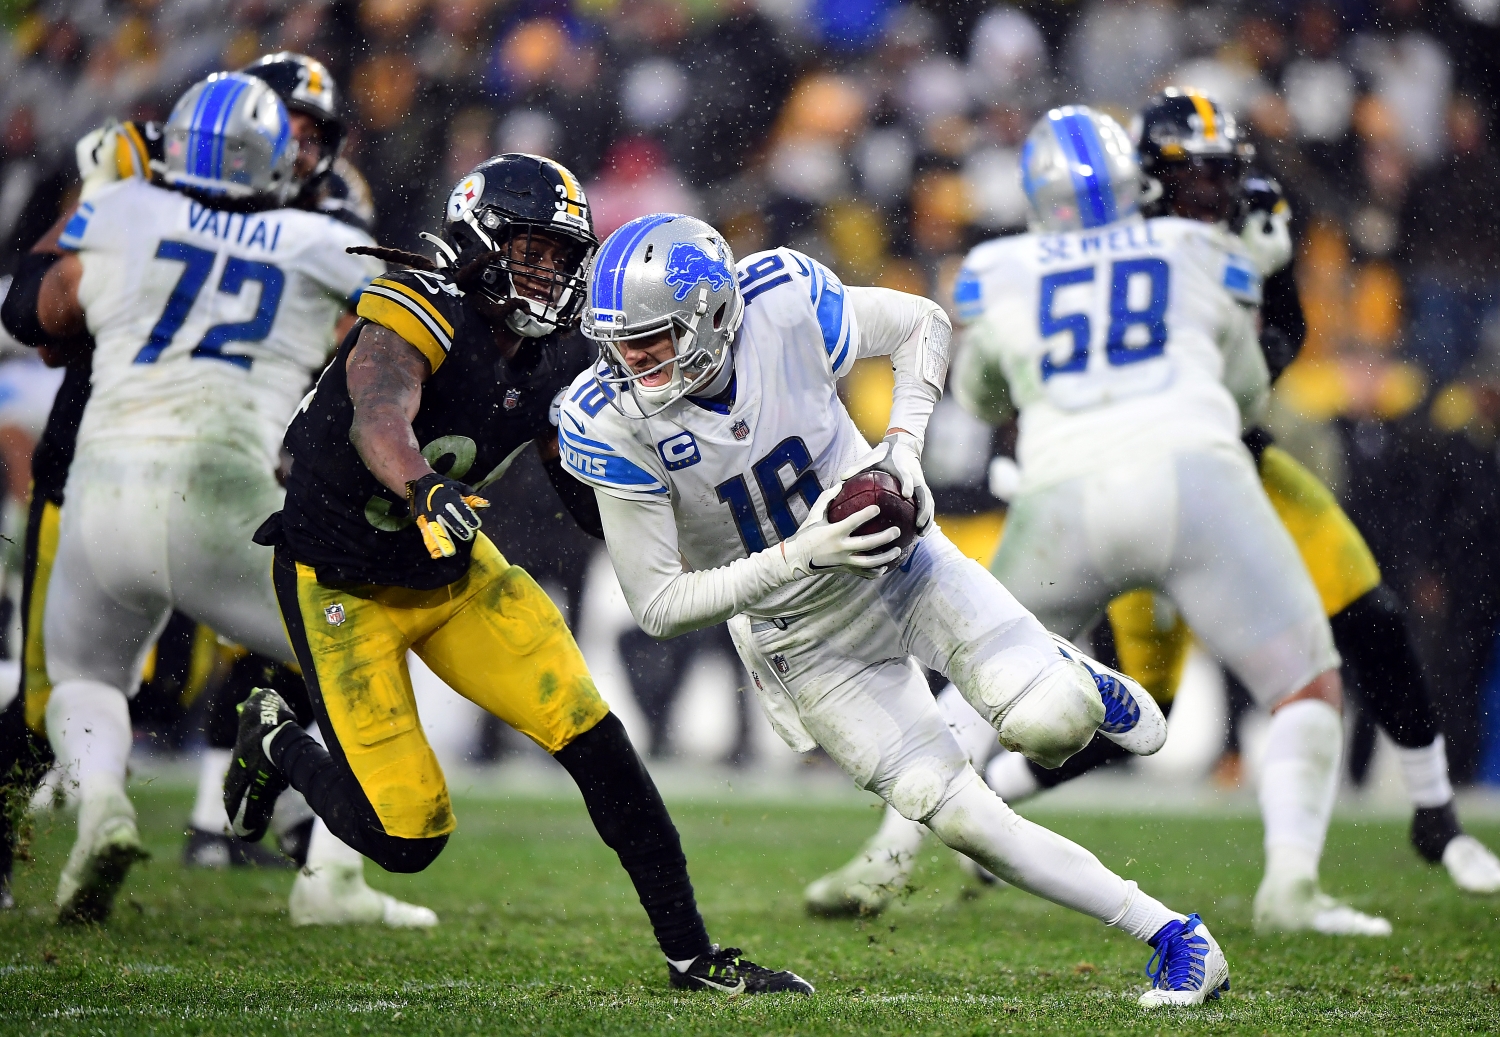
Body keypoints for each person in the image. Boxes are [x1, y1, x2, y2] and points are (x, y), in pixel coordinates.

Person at [806, 91, 1499, 917]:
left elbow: (986, 391)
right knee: (1257, 685)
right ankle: (1290, 882)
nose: (1211, 192)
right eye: (1193, 176)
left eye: (1219, 175)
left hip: (1079, 490)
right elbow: (1247, 383)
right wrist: (1256, 284)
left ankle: (895, 846)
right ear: (1141, 178)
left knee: (988, 668)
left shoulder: (1007, 266)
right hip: (1203, 474)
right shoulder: (1194, 248)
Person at [557, 211, 1227, 1008]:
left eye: (649, 338)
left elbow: (923, 323)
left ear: (709, 316)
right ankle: (1175, 935)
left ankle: (1073, 678)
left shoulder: (781, 298)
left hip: (899, 563)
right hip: (802, 638)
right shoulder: (604, 419)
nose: (627, 362)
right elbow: (661, 604)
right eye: (618, 342)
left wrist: (902, 445)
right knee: (966, 820)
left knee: (1050, 727)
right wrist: (802, 555)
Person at [228, 154, 811, 996]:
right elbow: (380, 412)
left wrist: (674, 538)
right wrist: (425, 485)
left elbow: (578, 484)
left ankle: (692, 956)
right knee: (407, 836)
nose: (548, 273)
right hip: (340, 581)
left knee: (599, 743)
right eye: (529, 251)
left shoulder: (557, 353)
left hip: (455, 572)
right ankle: (275, 734)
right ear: (474, 239)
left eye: (562, 256)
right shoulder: (421, 301)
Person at [0, 71, 419, 927]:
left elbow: (34, 311)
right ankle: (329, 869)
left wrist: (96, 213)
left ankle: (106, 804)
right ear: (267, 152)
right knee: (353, 647)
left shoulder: (125, 208)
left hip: (104, 489)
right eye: (290, 131)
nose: (306, 147)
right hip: (225, 494)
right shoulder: (317, 238)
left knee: (79, 681)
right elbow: (395, 343)